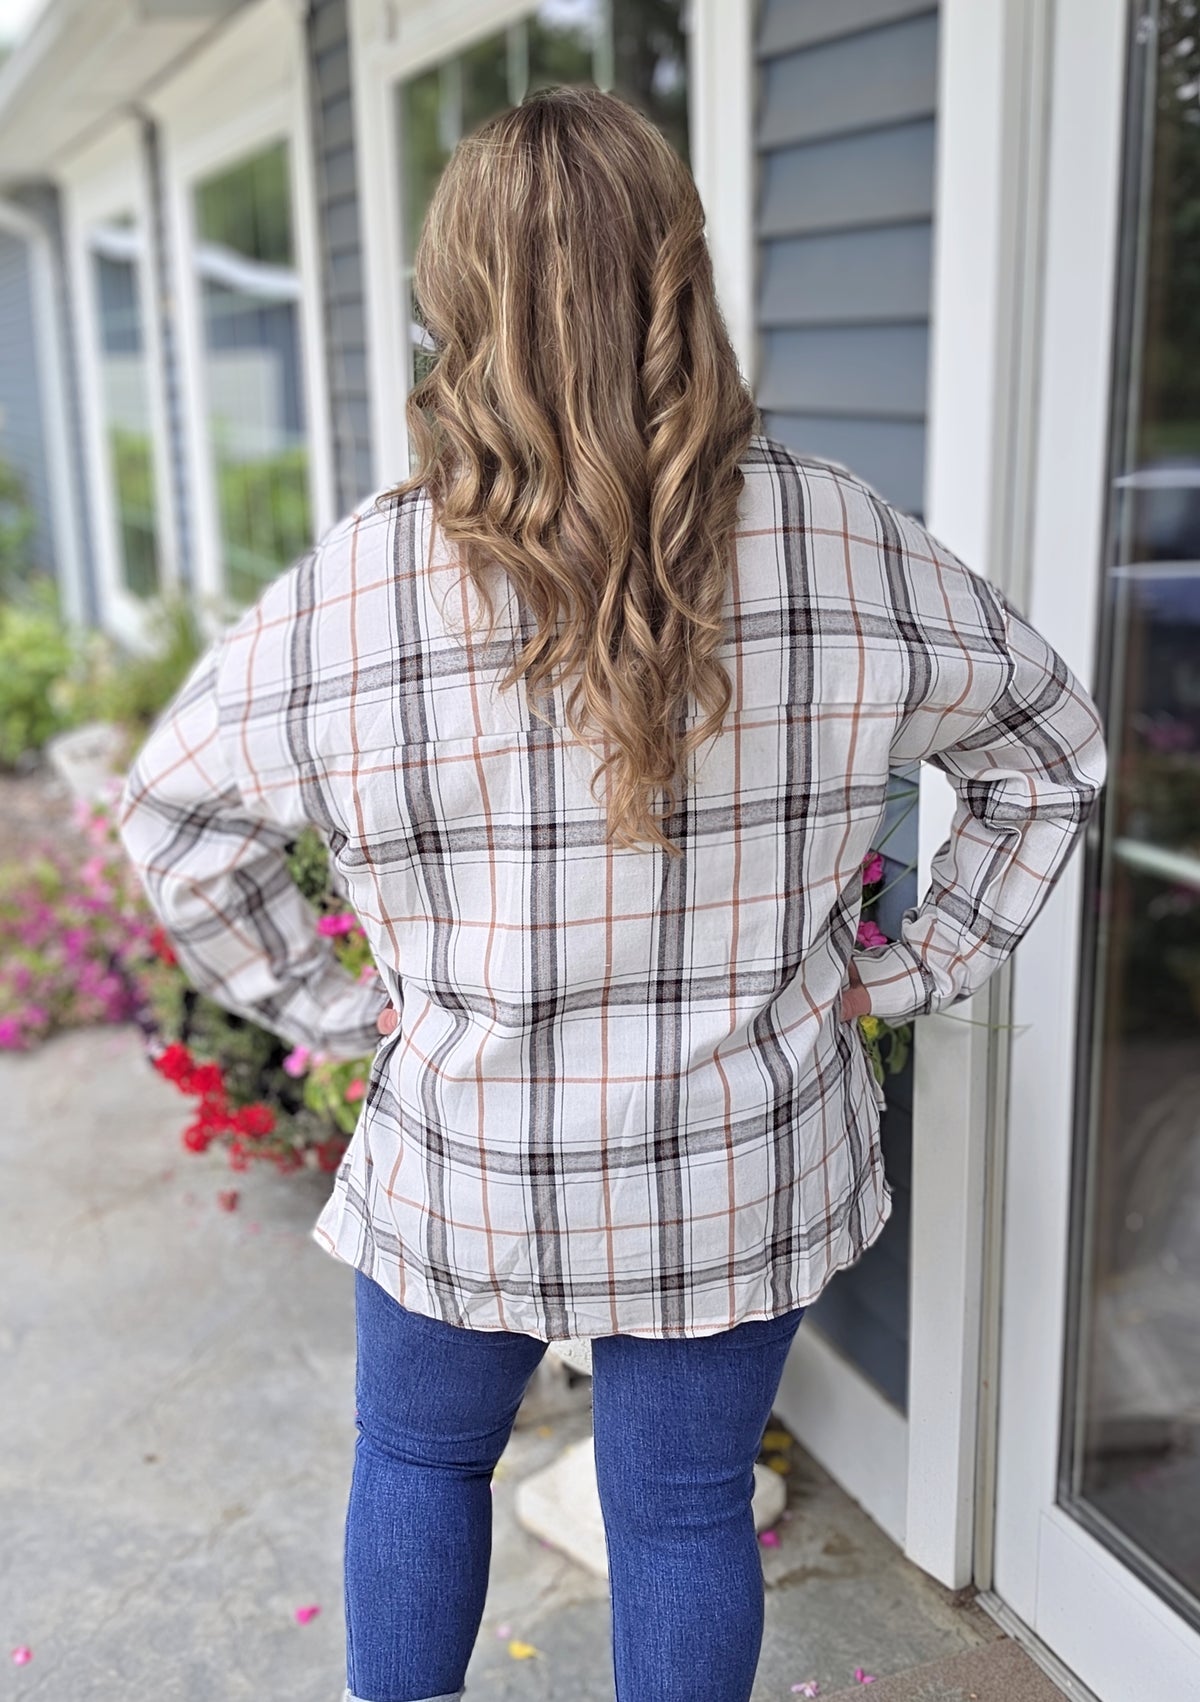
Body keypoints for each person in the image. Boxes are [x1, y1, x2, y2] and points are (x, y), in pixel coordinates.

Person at [117, 85, 1108, 1702]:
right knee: (680, 1511)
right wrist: (910, 965)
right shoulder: (843, 540)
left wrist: (347, 1005)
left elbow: (178, 820)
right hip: (738, 1147)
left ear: (456, 299)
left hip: (470, 1151)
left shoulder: (363, 586)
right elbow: (1048, 752)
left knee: (421, 1466)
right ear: (681, 277)